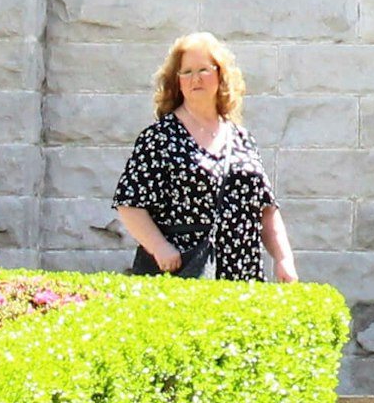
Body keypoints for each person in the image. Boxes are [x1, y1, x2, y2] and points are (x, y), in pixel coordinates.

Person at [111, 31, 298, 282]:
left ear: (220, 75)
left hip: (242, 273)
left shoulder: (240, 138)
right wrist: (159, 247)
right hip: (185, 271)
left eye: (203, 70)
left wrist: (284, 259)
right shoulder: (160, 138)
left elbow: (266, 210)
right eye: (186, 72)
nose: (194, 79)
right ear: (176, 81)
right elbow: (129, 204)